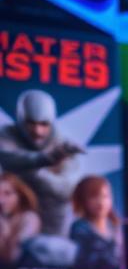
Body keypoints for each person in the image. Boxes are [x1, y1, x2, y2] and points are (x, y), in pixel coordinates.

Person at [0, 90, 84, 239]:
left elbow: (66, 190)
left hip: (52, 228)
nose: (37, 131)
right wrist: (45, 160)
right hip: (11, 227)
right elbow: (7, 157)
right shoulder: (7, 136)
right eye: (31, 123)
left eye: (44, 124)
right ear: (20, 119)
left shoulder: (63, 146)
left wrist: (31, 173)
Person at [69, 175, 120, 269]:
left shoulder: (115, 227)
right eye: (94, 197)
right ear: (83, 200)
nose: (101, 202)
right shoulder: (80, 228)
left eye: (105, 196)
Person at [0, 173, 42, 266]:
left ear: (20, 195)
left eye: (7, 193)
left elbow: (14, 256)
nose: (1, 200)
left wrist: (5, 231)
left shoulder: (30, 218)